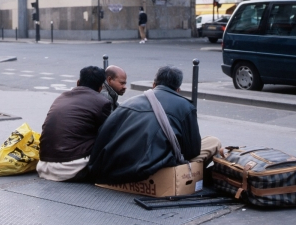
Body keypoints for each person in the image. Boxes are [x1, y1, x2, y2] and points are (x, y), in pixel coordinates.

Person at [88, 65, 221, 185]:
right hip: (152, 168)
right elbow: (192, 150)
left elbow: (103, 136)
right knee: (213, 142)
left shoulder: (129, 103)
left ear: (154, 84)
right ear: (178, 89)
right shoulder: (186, 107)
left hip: (114, 169)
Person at [37, 66, 112, 182]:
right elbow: (109, 135)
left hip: (44, 166)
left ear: (78, 82)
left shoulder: (61, 97)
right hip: (71, 168)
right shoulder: (102, 102)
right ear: (100, 88)